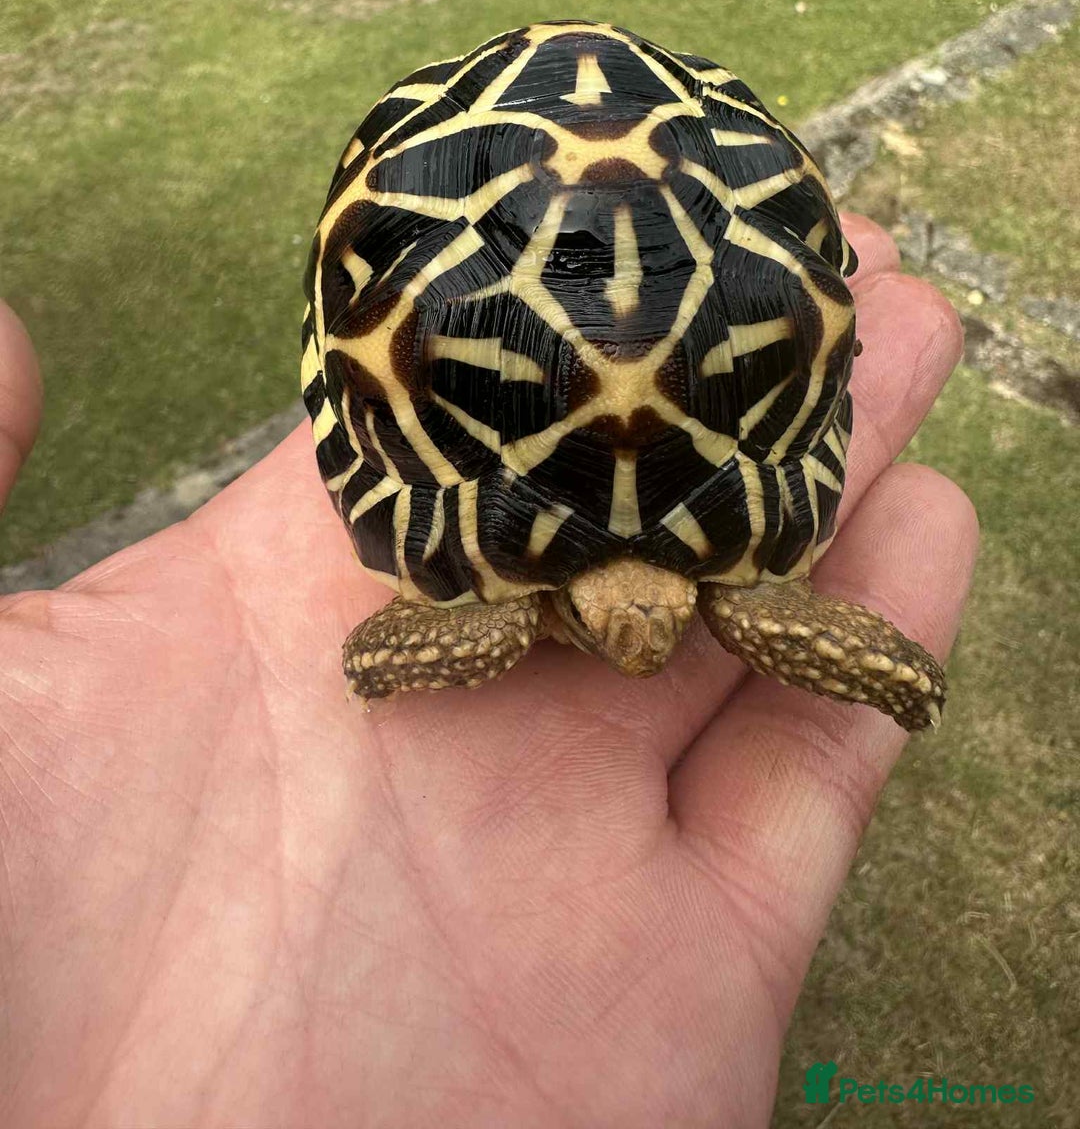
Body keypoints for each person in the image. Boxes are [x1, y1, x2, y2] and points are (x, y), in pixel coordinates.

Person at [0, 215, 978, 1128]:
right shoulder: (522, 610)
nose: (640, 646)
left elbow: (739, 606)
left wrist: (870, 662)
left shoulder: (550, 594)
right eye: (625, 624)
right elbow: (383, 651)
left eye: (658, 618)